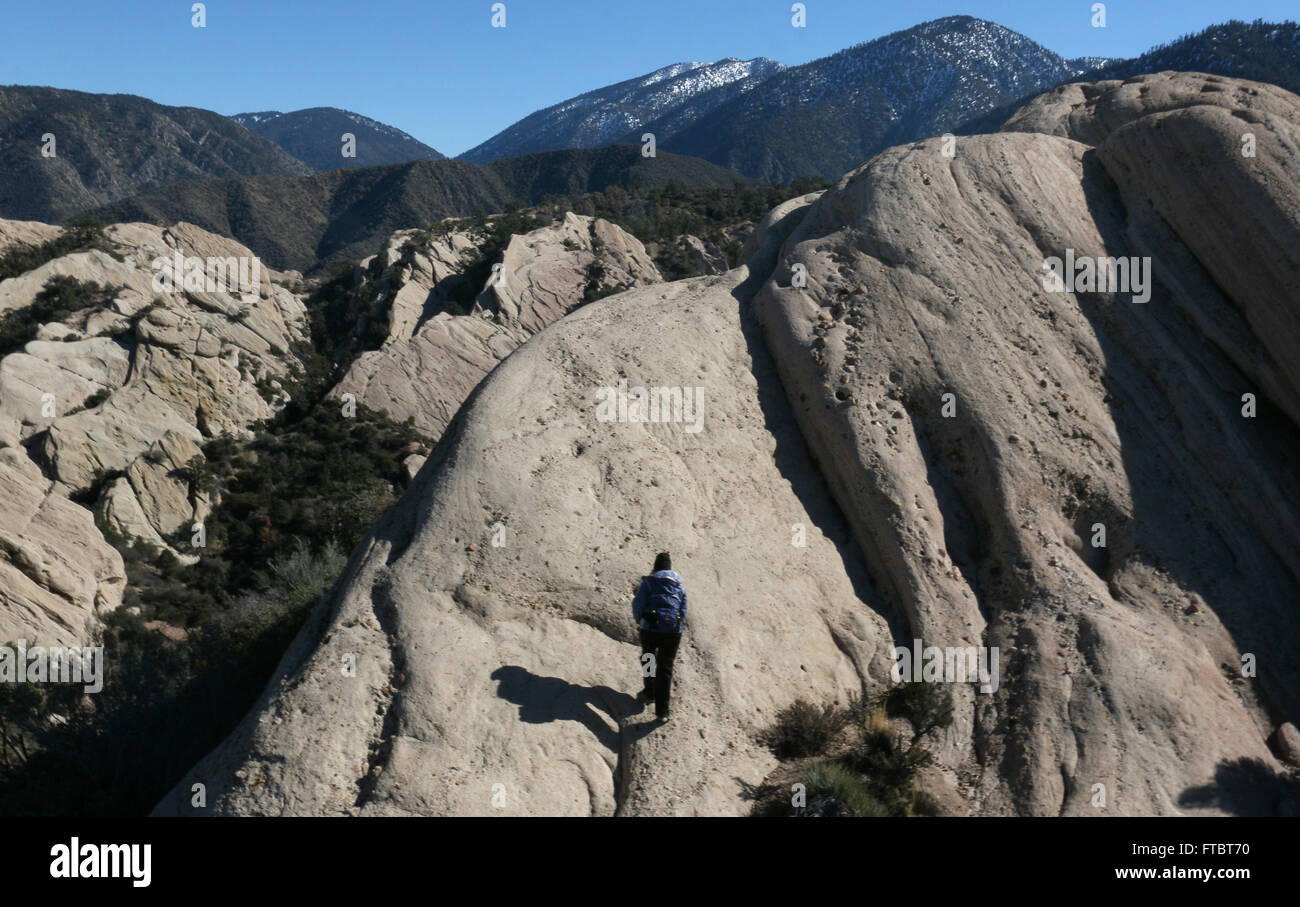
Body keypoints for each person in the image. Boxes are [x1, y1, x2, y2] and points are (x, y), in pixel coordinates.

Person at [631, 552, 687, 722]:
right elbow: (683, 610)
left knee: (648, 658)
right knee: (665, 668)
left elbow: (638, 604)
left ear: (655, 567)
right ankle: (662, 712)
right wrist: (677, 627)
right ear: (670, 568)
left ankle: (649, 692)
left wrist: (641, 621)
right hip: (672, 631)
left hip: (650, 628)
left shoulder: (649, 582)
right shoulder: (679, 586)